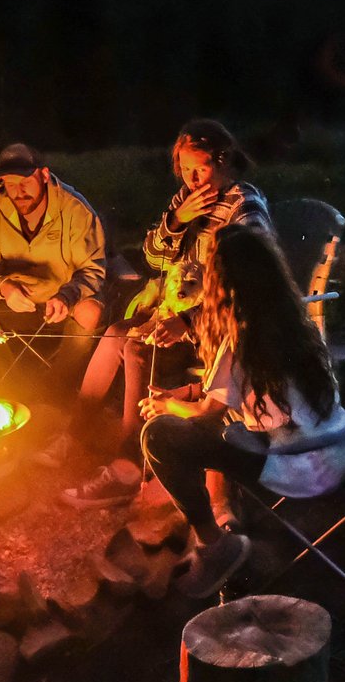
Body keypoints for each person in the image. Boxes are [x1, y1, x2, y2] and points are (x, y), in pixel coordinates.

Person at [138, 224, 345, 598]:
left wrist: (167, 403)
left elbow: (208, 411)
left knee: (159, 436)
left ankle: (217, 548)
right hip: (338, 451)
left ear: (222, 284)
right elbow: (236, 390)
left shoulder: (241, 334)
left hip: (295, 466)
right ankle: (222, 511)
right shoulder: (297, 316)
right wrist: (187, 393)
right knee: (219, 425)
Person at [61, 119, 269, 502]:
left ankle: (132, 463)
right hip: (177, 312)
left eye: (200, 168)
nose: (191, 178)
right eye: (185, 169)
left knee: (137, 347)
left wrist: (189, 320)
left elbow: (251, 287)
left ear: (223, 161)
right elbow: (153, 258)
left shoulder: (245, 208)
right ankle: (73, 435)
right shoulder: (184, 202)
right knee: (115, 334)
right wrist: (177, 221)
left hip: (220, 330)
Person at [0, 143, 106, 382]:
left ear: (43, 175)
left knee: (90, 312)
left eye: (25, 181)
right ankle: (6, 388)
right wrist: (5, 288)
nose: (19, 191)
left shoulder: (75, 209)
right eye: (10, 184)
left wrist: (67, 296)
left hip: (64, 304)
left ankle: (57, 391)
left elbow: (91, 270)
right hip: (17, 303)